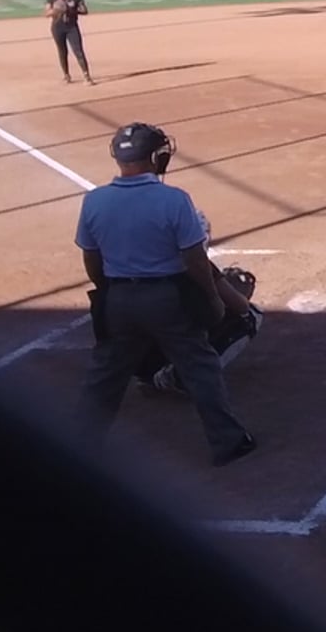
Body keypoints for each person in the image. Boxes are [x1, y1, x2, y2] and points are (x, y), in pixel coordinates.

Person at [74, 123, 256, 467]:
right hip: (167, 297)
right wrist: (211, 297)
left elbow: (91, 258)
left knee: (105, 376)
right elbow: (194, 258)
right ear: (158, 157)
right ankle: (228, 441)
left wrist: (109, 292)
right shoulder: (173, 199)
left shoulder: (94, 200)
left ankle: (81, 445)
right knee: (199, 367)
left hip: (119, 299)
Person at [134, 210, 263, 396]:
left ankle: (150, 373)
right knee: (250, 316)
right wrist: (236, 294)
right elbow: (240, 306)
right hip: (166, 333)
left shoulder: (133, 255)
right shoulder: (198, 264)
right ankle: (187, 377)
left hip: (132, 351)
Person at [44, 0, 93, 84]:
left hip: (72, 27)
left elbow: (84, 10)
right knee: (62, 51)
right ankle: (66, 75)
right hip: (58, 27)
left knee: (78, 50)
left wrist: (72, 10)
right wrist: (56, 10)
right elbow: (46, 13)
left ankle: (86, 75)